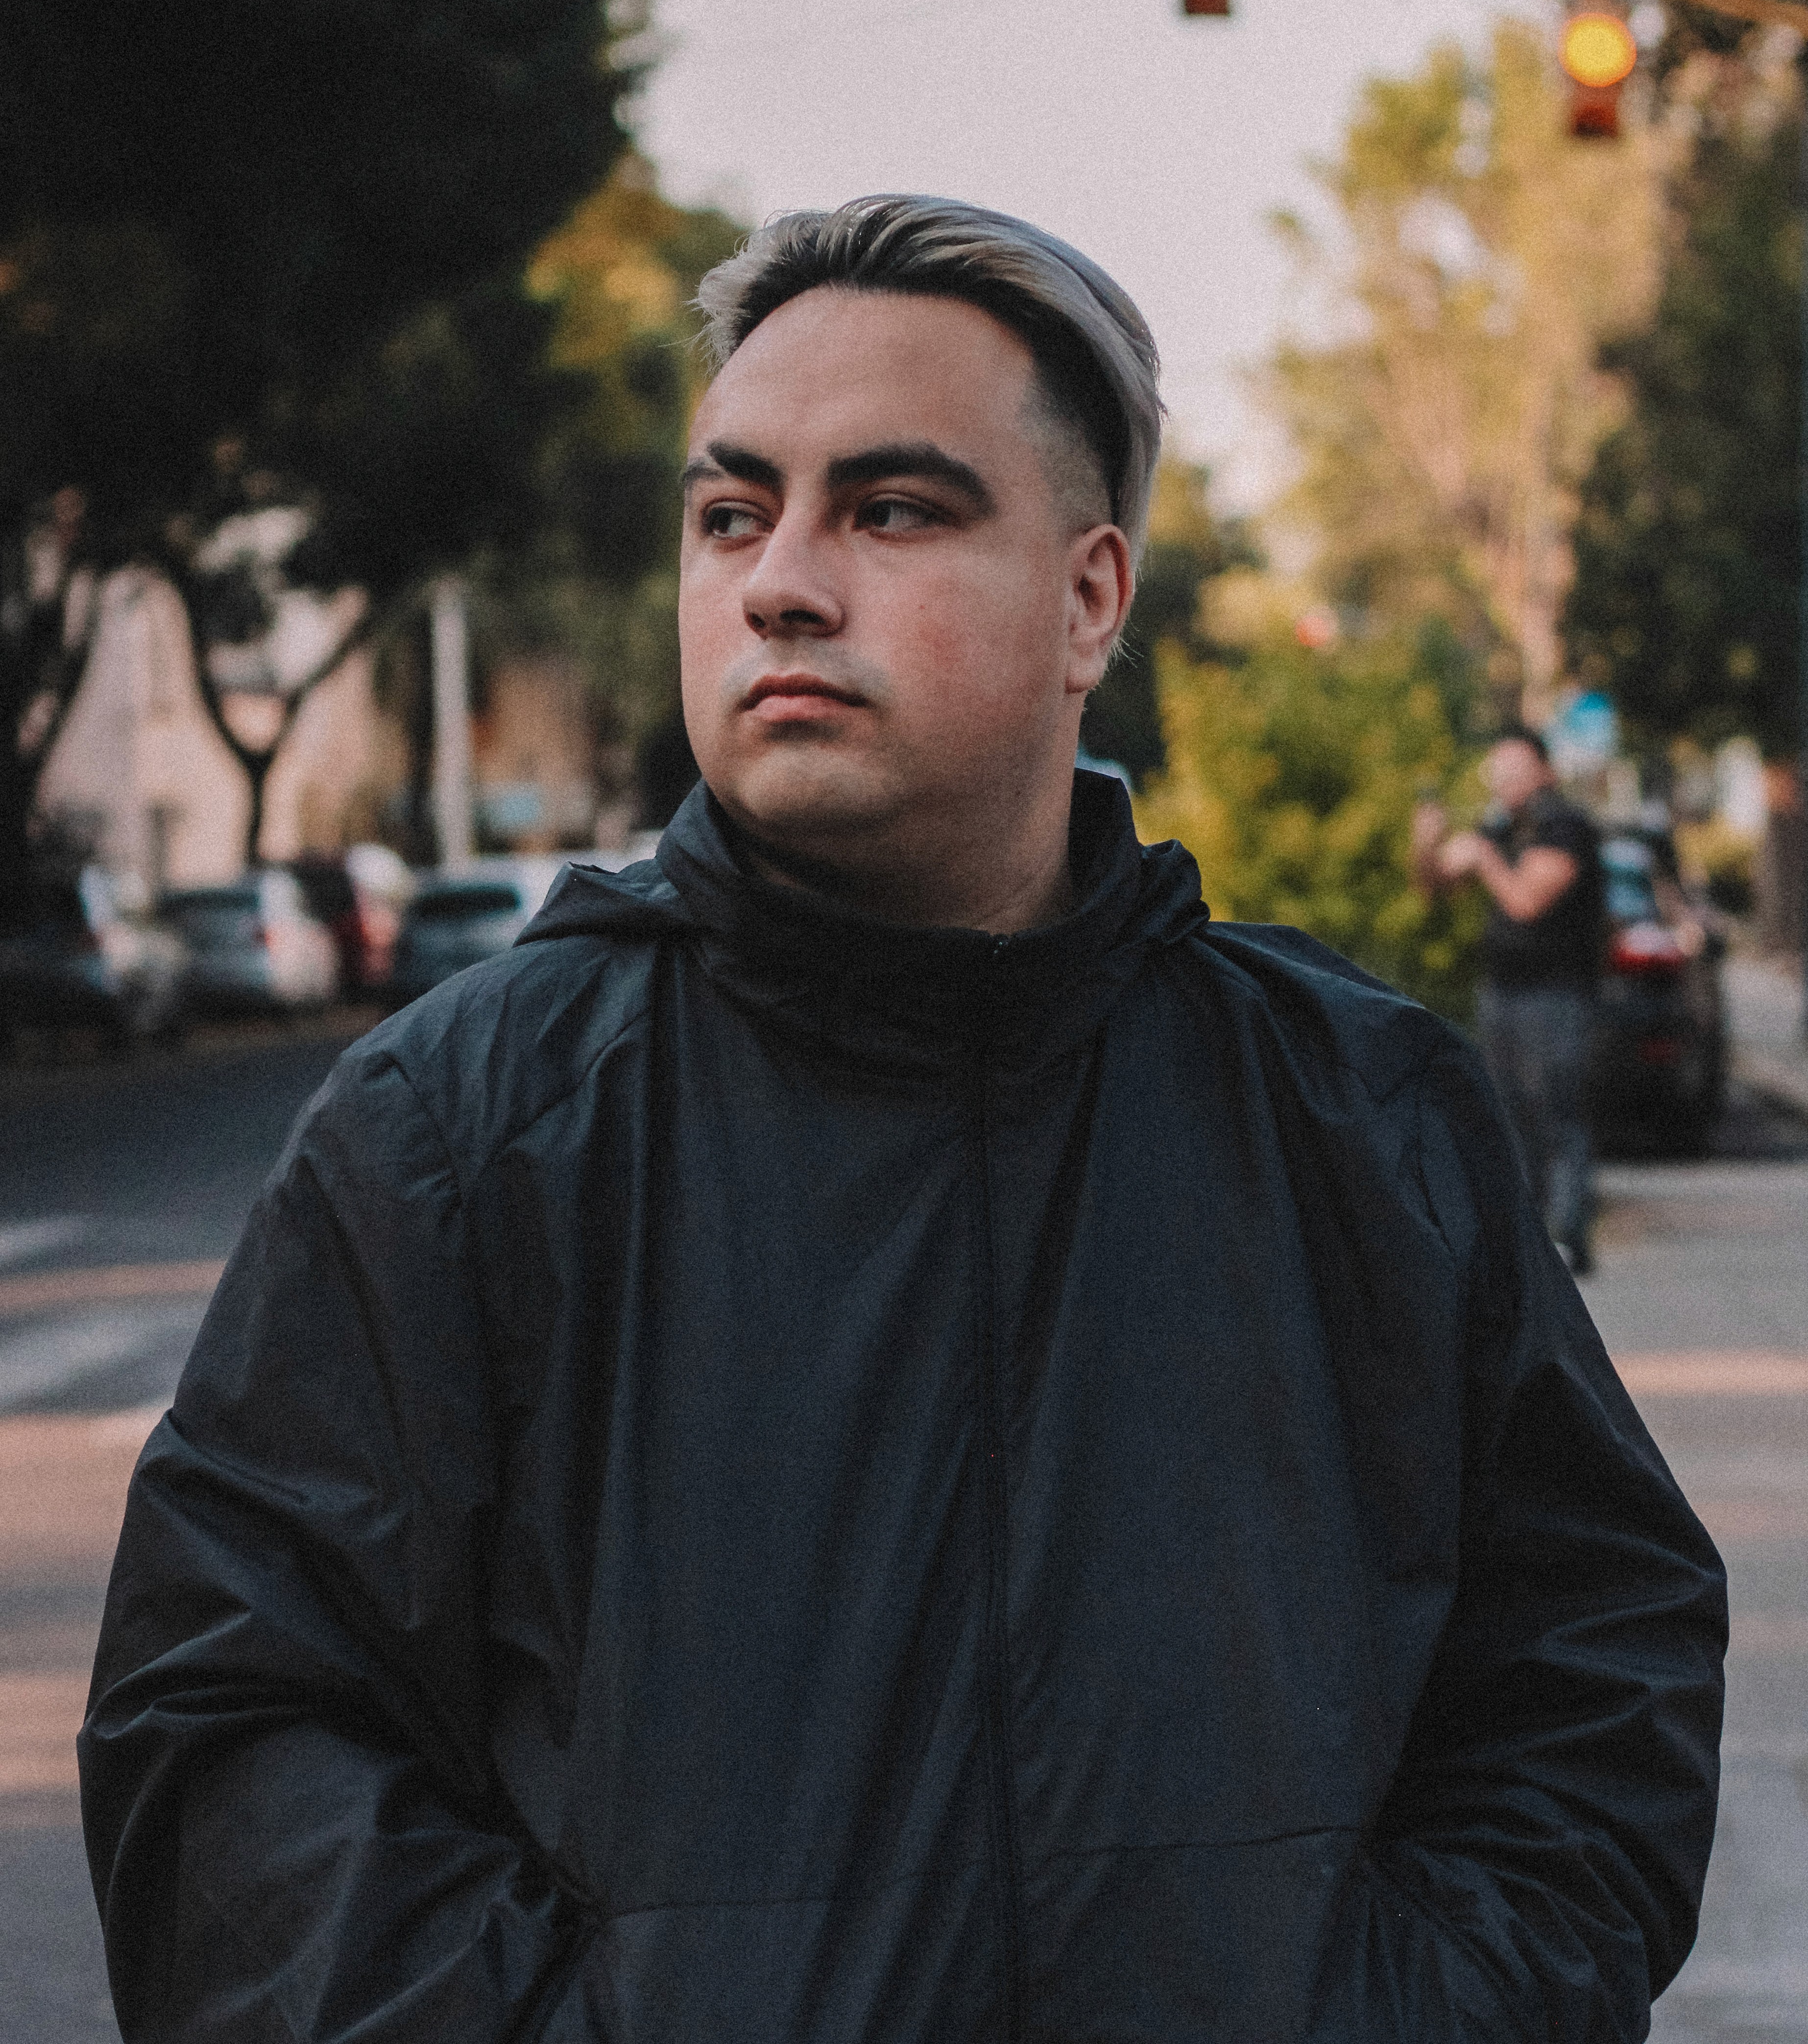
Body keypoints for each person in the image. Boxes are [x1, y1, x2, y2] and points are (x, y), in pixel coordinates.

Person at [83, 199, 1723, 2044]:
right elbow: (231, 1741)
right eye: (732, 514)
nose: (781, 581)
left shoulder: (1359, 1114)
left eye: (890, 509)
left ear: (1090, 598)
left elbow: (1595, 1664)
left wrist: (1403, 2006)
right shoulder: (458, 1135)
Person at [1415, 729, 1606, 1276]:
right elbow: (1434, 886)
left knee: (1557, 1110)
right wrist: (1426, 841)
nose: (1504, 780)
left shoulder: (1564, 827)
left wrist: (1482, 857)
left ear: (1544, 771)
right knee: (1509, 1114)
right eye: (1497, 769)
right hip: (1502, 991)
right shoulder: (1497, 828)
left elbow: (1525, 902)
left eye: (1516, 768)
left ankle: (1568, 1234)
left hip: (1558, 994)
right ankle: (1526, 1237)